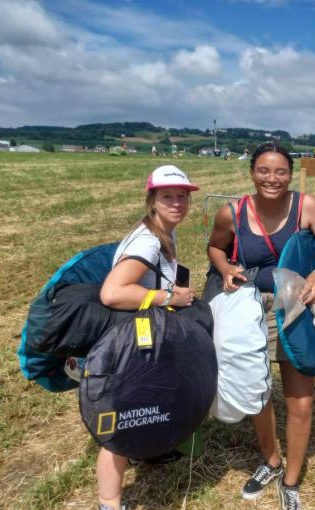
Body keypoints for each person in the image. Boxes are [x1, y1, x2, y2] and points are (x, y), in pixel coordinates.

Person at [207, 143, 315, 510]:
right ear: (252, 173)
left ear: (291, 173)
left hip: (296, 307)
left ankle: (292, 479)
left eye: (280, 171)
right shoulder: (231, 212)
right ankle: (271, 460)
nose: (272, 178)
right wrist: (224, 268)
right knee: (258, 390)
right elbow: (215, 247)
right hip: (249, 307)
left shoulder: (307, 207)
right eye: (264, 171)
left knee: (300, 399)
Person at [97, 164, 199, 510]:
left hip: (148, 334)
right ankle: (109, 502)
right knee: (121, 419)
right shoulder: (147, 241)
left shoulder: (164, 233)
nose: (176, 203)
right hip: (133, 340)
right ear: (152, 200)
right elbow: (112, 293)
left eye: (182, 197)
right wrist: (170, 298)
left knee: (149, 401)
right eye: (167, 196)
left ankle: (148, 448)